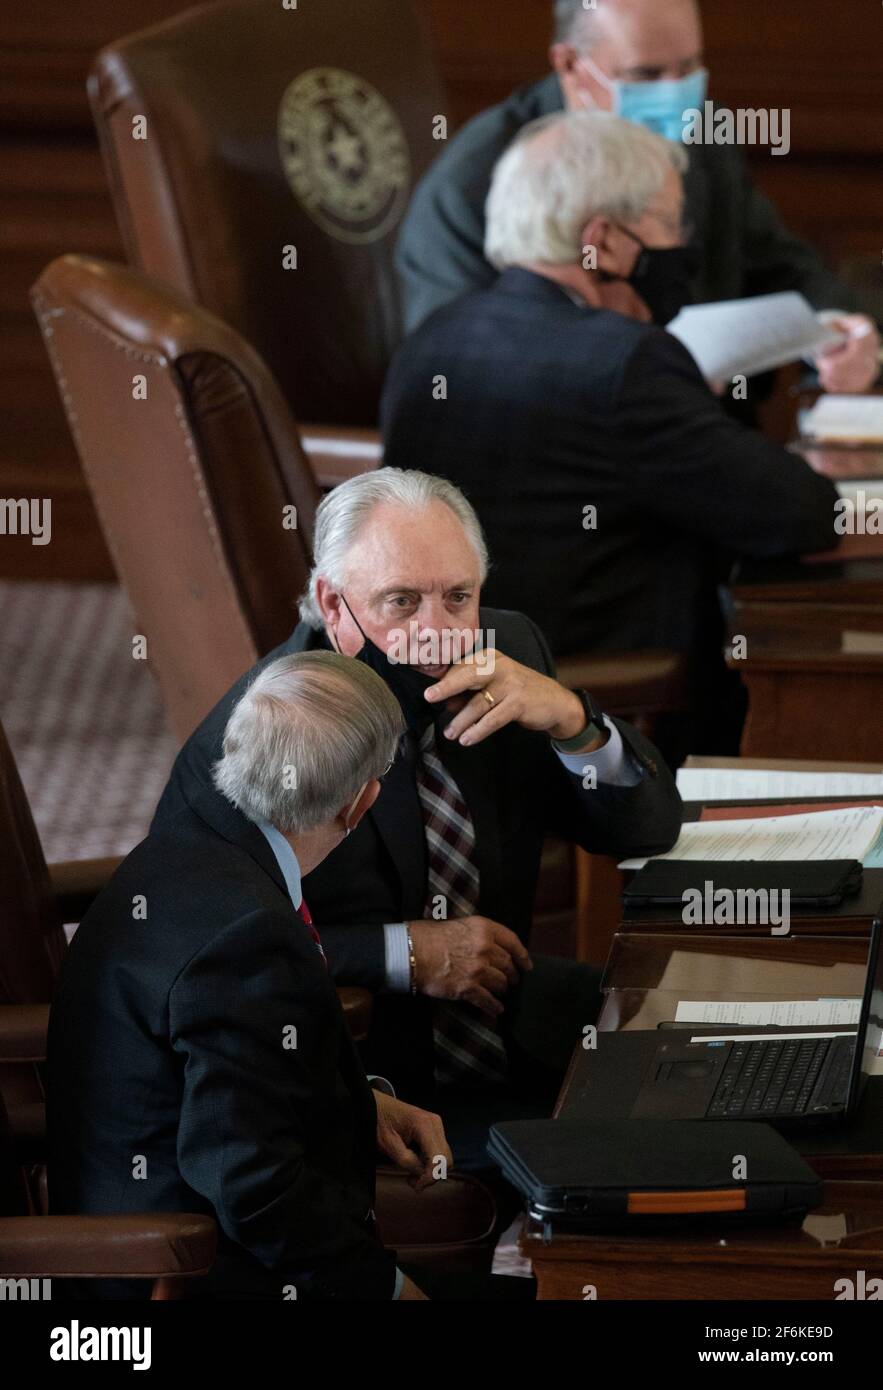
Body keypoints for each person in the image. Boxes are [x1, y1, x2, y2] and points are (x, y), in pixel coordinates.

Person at [151, 468, 682, 1166]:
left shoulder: (509, 652)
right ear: (332, 607)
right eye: (401, 602)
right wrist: (402, 953)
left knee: (728, 1078)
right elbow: (190, 957)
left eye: (457, 598)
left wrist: (574, 722)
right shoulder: (268, 729)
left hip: (518, 1029)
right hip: (368, 1083)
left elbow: (645, 831)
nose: (439, 635)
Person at [381, 111, 842, 760]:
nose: (683, 245)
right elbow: (801, 512)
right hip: (606, 706)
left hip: (439, 701)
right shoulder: (625, 363)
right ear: (604, 240)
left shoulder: (432, 337)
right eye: (669, 225)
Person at [48, 652, 453, 1300]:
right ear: (361, 802)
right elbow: (250, 1184)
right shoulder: (249, 940)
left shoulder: (189, 842)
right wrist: (387, 1289)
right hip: (184, 1280)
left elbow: (227, 1085)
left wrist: (358, 1103)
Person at [396, 0, 879, 398]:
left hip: (706, 448)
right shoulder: (474, 183)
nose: (677, 96)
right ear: (570, 66)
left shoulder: (703, 141)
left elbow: (790, 272)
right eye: (646, 75)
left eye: (689, 69)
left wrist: (843, 339)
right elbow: (456, 376)